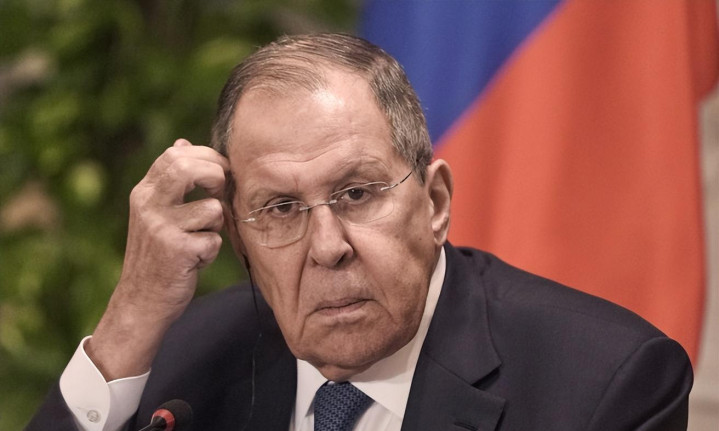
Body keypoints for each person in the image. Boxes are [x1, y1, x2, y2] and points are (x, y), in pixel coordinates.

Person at [26, 33, 692, 431]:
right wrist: (130, 319)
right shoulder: (185, 359)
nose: (327, 247)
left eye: (356, 194)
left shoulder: (603, 385)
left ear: (434, 201)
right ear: (239, 236)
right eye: (280, 208)